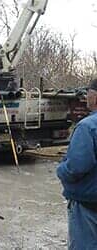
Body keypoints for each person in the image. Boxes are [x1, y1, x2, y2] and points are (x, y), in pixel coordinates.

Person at [57, 78, 97, 249]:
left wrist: (61, 170)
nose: (86, 97)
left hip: (88, 206)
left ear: (95, 97)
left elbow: (76, 167)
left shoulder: (88, 127)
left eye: (88, 93)